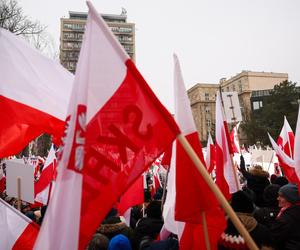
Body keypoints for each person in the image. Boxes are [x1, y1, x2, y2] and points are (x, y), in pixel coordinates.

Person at [271, 183, 300, 250]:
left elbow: (274, 240)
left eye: (281, 196)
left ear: (290, 199)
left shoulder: (284, 220)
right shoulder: (293, 211)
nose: (277, 198)